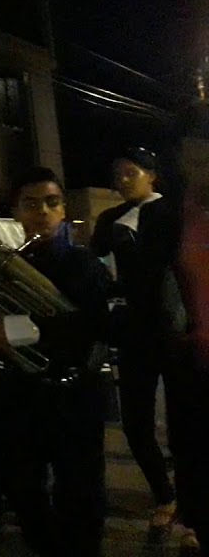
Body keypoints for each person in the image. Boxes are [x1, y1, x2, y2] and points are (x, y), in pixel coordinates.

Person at [0, 167, 112, 556]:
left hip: (75, 393)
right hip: (21, 393)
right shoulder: (1, 268)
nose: (42, 211)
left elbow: (93, 325)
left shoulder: (85, 265)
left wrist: (17, 331)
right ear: (15, 212)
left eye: (51, 202)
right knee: (22, 488)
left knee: (81, 493)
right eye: (30, 204)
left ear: (62, 210)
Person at [91, 146, 180, 533]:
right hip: (134, 333)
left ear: (152, 175)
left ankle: (193, 506)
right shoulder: (111, 218)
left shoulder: (171, 212)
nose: (123, 180)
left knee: (184, 420)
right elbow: (95, 264)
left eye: (131, 172)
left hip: (175, 329)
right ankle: (165, 495)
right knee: (136, 422)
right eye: (118, 174)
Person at [161, 104, 209, 556]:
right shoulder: (171, 215)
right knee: (195, 454)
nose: (198, 169)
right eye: (191, 159)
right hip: (193, 363)